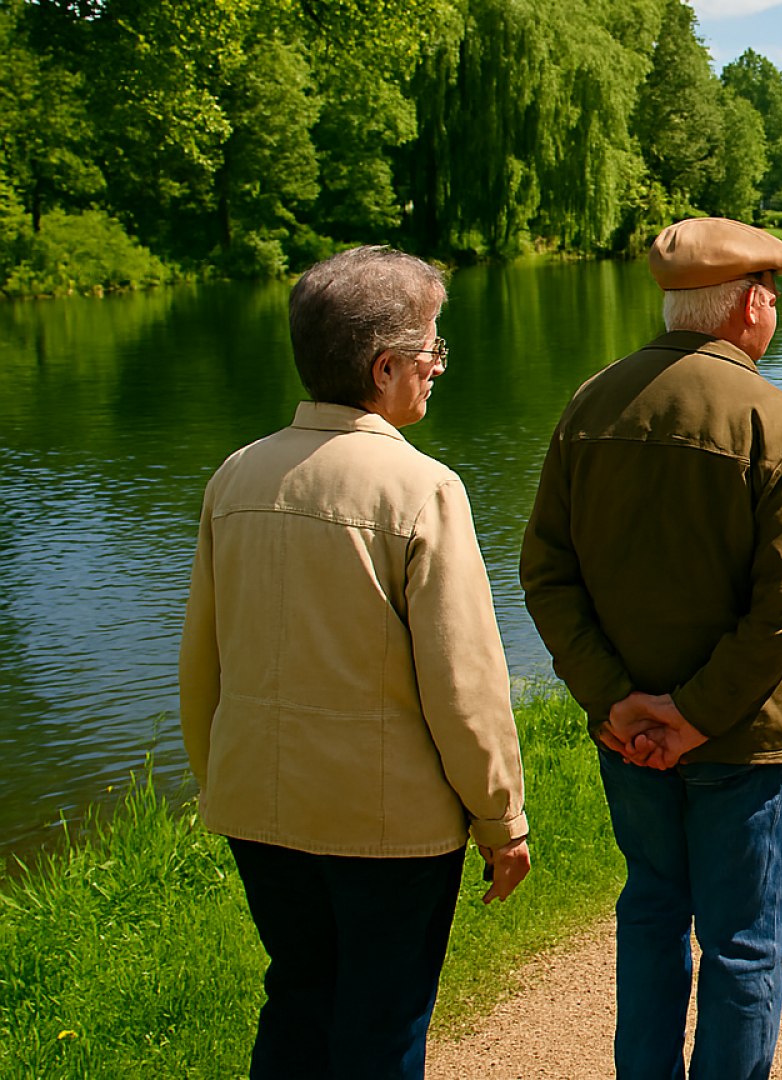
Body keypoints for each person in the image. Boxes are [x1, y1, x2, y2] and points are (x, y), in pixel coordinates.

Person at [178, 245, 532, 1080]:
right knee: (382, 1023)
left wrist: (218, 778)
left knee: (298, 1001)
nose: (438, 365)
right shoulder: (421, 488)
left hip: (259, 808)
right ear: (385, 367)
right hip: (388, 829)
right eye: (432, 348)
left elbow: (203, 660)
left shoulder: (236, 476)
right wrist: (501, 819)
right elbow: (465, 685)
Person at [519, 216, 782, 1079]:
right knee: (742, 946)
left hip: (629, 736)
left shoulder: (590, 405)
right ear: (751, 305)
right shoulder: (779, 424)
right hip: (747, 738)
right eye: (772, 294)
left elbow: (546, 572)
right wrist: (695, 716)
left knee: (652, 918)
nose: (773, 309)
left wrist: (613, 698)